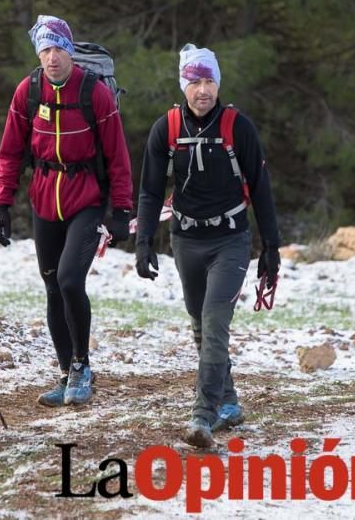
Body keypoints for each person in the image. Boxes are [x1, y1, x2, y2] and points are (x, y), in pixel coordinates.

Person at [134, 44, 280, 448]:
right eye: (195, 81)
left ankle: (203, 414)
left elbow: (262, 189)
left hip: (231, 239)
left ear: (218, 82)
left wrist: (271, 247)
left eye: (209, 80)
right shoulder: (166, 128)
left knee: (215, 321)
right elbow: (149, 190)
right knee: (201, 326)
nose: (203, 90)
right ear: (184, 84)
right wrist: (144, 241)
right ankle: (229, 402)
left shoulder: (238, 126)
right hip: (186, 239)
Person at [0, 15, 133, 407]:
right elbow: (10, 151)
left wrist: (120, 208)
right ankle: (64, 371)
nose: (52, 58)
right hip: (43, 201)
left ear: (69, 51)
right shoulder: (28, 91)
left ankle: (82, 366)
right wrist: (2, 203)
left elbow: (118, 155)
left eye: (58, 49)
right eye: (45, 50)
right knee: (52, 285)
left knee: (71, 280)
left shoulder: (93, 92)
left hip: (86, 199)